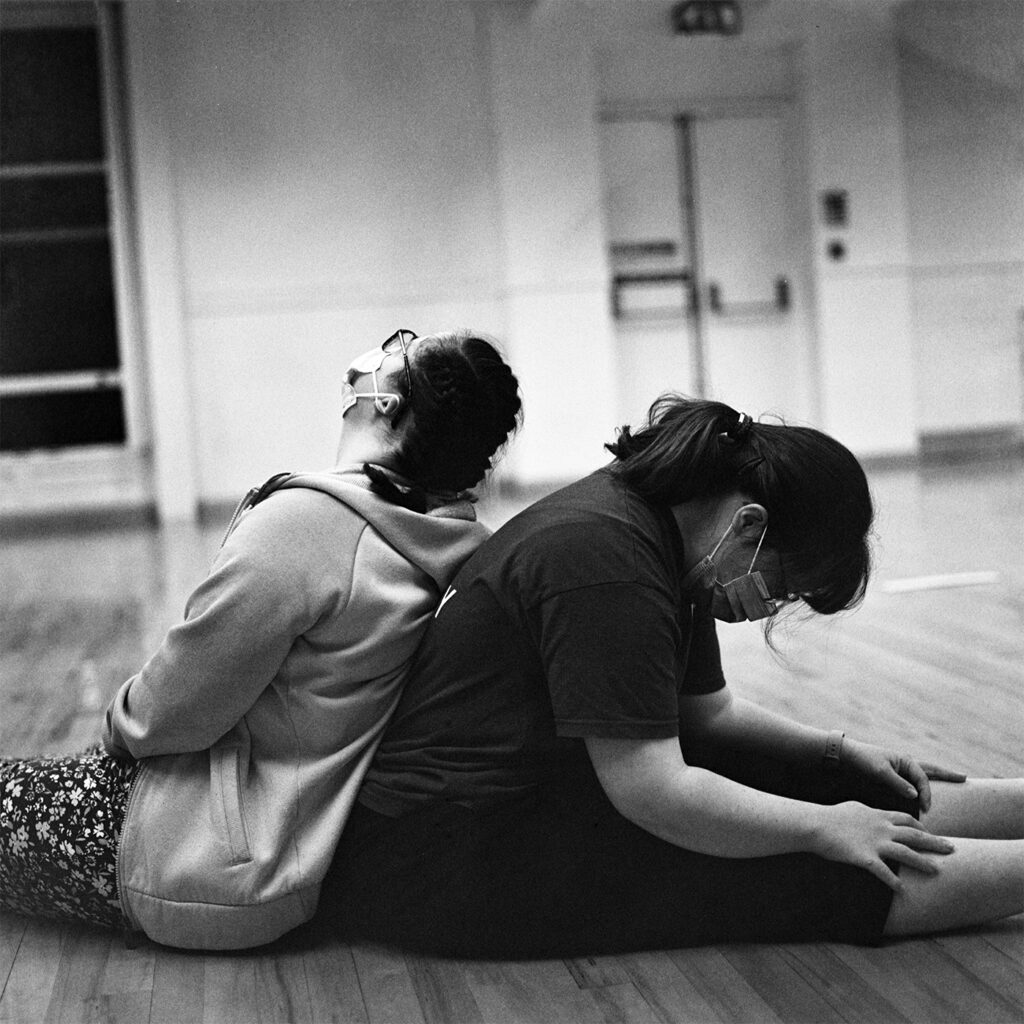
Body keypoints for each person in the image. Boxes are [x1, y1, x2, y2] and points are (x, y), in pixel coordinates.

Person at [322, 394, 1023, 958]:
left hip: (527, 795)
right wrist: (820, 827)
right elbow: (653, 791)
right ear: (749, 525)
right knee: (813, 863)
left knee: (828, 794)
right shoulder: (606, 560)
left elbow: (708, 716)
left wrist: (836, 752)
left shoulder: (662, 531)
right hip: (443, 858)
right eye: (781, 587)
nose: (766, 609)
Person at [0, 328, 522, 950]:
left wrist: (111, 729)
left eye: (398, 346)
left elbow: (167, 714)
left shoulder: (307, 529)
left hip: (194, 856)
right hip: (281, 856)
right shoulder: (443, 537)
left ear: (387, 400)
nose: (377, 352)